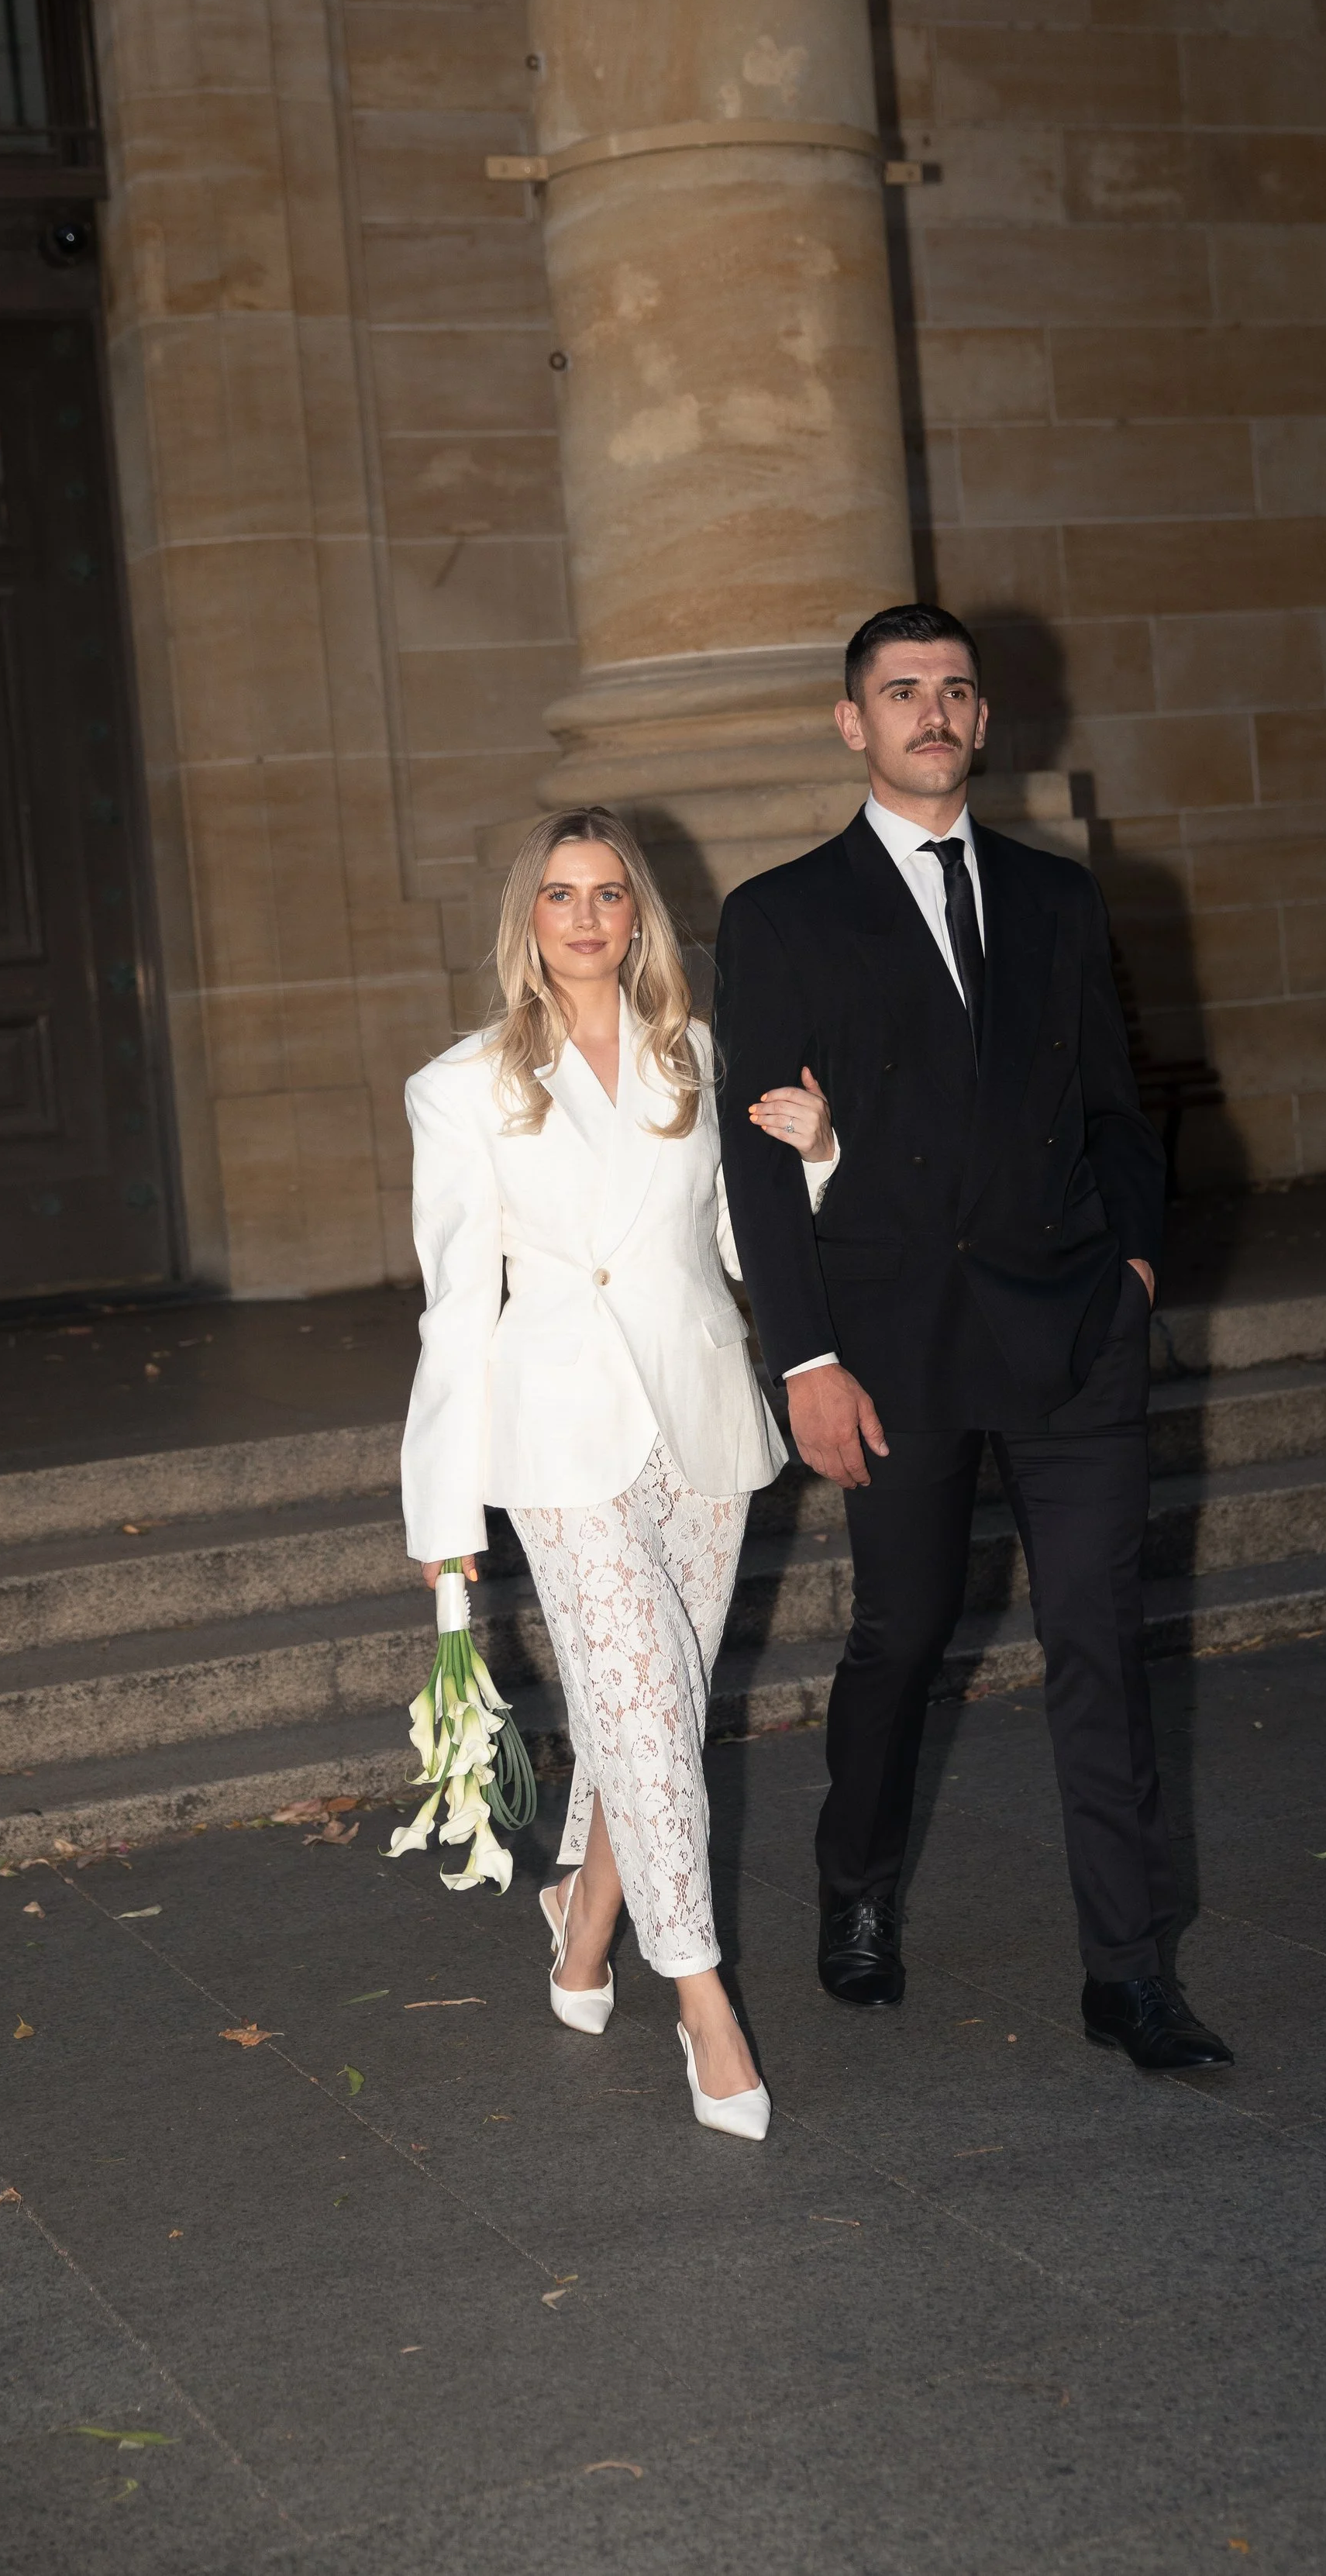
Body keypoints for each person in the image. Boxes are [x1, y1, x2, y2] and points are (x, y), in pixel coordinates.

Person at [714, 604, 1231, 2072]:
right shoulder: (782, 912)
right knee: (902, 1634)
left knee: (1098, 1647)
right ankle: (858, 1886)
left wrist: (1132, 1266)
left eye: (953, 691)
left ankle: (1128, 1971)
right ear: (852, 723)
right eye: (900, 692)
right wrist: (803, 1359)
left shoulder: (1060, 900)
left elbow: (1125, 1116)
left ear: (985, 721)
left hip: (1073, 1328)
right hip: (892, 1346)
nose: (931, 713)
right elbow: (761, 1160)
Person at [401, 806, 834, 2141]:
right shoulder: (461, 1085)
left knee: (653, 1707)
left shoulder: (699, 1057)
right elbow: (454, 1302)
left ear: (639, 914)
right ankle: (703, 2001)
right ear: (526, 919)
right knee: (644, 1710)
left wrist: (817, 1154)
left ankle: (583, 1922)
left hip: (701, 1425)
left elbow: (751, 1244)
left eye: (608, 895)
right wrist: (440, 1508)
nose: (585, 917)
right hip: (559, 1441)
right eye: (559, 895)